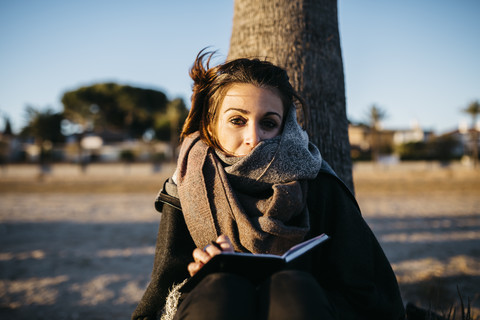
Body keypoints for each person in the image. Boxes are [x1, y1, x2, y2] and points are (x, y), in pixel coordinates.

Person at [132, 50, 405, 320]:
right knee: (221, 289)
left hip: (302, 306)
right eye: (237, 120)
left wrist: (299, 282)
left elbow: (369, 294)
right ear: (211, 126)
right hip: (213, 306)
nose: (254, 137)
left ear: (285, 127)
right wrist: (199, 278)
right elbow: (160, 299)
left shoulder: (319, 185)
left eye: (268, 123)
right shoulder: (187, 184)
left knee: (292, 288)